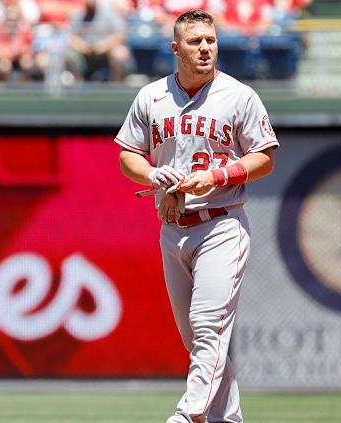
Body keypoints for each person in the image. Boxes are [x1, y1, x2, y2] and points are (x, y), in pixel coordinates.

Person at [115, 10, 278, 423]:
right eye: (194, 41)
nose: (205, 48)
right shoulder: (152, 96)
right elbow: (127, 155)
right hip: (172, 230)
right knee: (202, 343)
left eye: (210, 40)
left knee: (207, 328)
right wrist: (153, 173)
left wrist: (219, 174)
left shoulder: (238, 95)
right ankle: (228, 419)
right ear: (176, 48)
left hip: (222, 223)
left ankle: (187, 416)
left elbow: (264, 158)